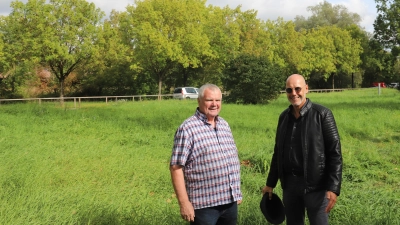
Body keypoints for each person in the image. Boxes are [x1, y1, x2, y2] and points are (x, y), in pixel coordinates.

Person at [262, 74, 342, 225]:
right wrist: (270, 183)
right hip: (290, 187)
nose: (294, 93)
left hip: (316, 188)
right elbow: (278, 152)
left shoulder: (322, 115)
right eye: (289, 90)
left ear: (306, 88)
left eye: (297, 89)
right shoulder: (284, 117)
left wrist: (333, 187)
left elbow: (335, 153)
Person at [170, 83, 242, 225]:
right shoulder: (187, 129)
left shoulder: (224, 125)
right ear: (199, 101)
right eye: (209, 100)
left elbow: (231, 158)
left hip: (229, 203)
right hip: (204, 206)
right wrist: (184, 203)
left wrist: (236, 191)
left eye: (218, 100)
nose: (214, 104)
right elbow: (176, 167)